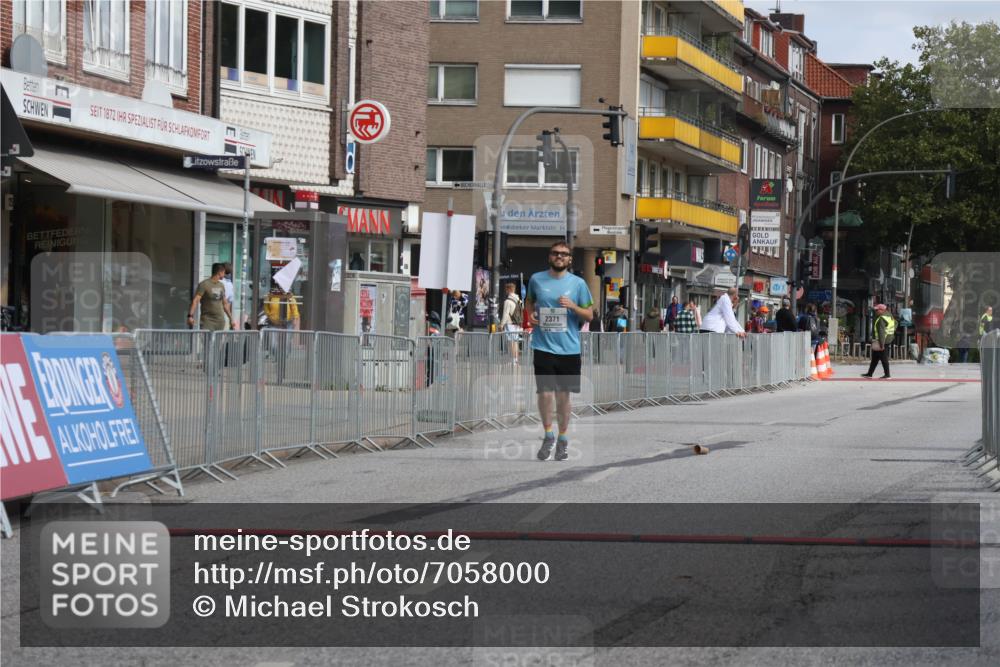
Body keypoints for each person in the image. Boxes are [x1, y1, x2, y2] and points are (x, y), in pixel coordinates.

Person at [525, 240, 594, 462]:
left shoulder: (578, 284)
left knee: (563, 397)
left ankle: (563, 439)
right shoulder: (536, 279)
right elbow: (529, 302)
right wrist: (530, 316)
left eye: (564, 254)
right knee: (544, 394)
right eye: (555, 253)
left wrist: (573, 307)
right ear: (549, 257)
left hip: (569, 349)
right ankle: (548, 435)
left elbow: (590, 315)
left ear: (570, 259)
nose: (559, 257)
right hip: (543, 346)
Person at [188, 263, 235, 331]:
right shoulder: (204, 284)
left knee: (217, 342)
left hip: (220, 321)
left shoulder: (221, 285)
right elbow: (195, 301)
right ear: (220, 272)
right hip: (207, 321)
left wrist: (231, 319)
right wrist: (190, 316)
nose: (224, 275)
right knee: (207, 341)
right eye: (224, 272)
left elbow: (225, 304)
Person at [862, 303, 896, 379]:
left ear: (882, 310)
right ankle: (869, 373)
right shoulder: (889, 316)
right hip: (887, 339)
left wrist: (882, 344)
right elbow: (895, 324)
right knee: (875, 358)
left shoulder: (882, 319)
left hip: (883, 341)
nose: (876, 311)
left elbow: (881, 333)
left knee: (884, 358)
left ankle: (887, 375)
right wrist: (891, 334)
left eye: (877, 310)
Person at [499, 282, 524, 362]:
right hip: (518, 324)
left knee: (512, 343)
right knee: (515, 342)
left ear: (508, 290)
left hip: (510, 324)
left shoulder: (507, 301)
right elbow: (522, 309)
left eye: (506, 289)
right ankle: (515, 360)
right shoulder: (519, 300)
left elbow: (505, 315)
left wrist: (501, 324)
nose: (506, 291)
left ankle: (514, 361)